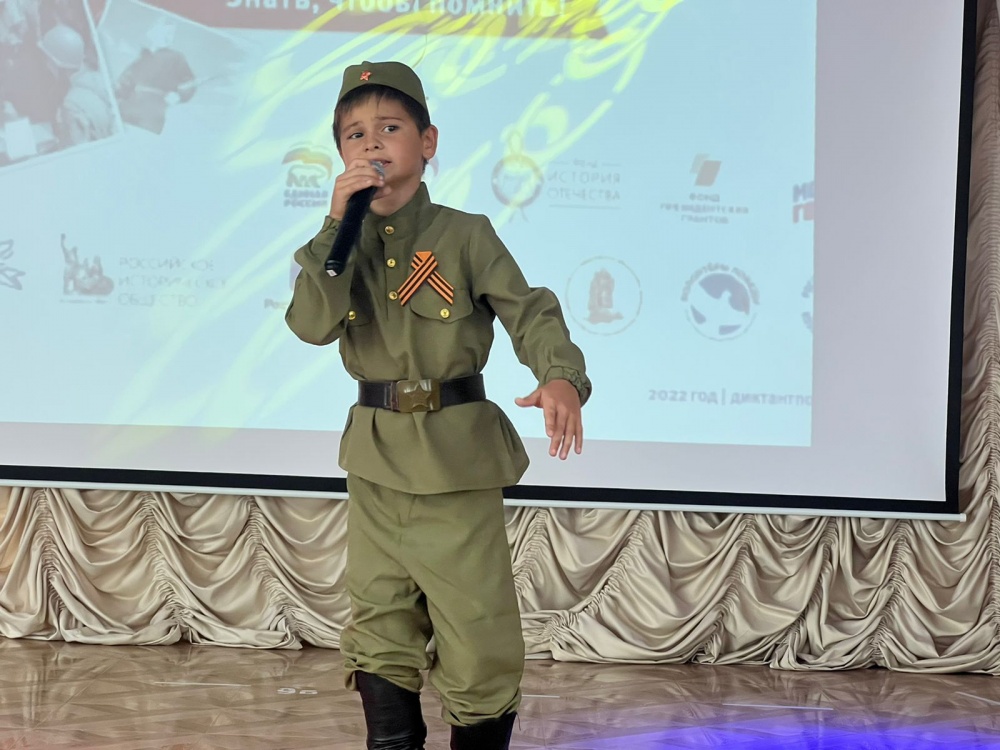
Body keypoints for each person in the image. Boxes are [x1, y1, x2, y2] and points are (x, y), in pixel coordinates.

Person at [285, 61, 591, 750]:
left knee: (478, 632)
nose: (372, 143)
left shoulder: (464, 234)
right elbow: (309, 324)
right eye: (355, 134)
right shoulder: (337, 246)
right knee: (379, 625)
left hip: (455, 458)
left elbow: (530, 312)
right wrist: (335, 228)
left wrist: (561, 376)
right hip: (376, 460)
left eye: (390, 128)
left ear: (427, 143)